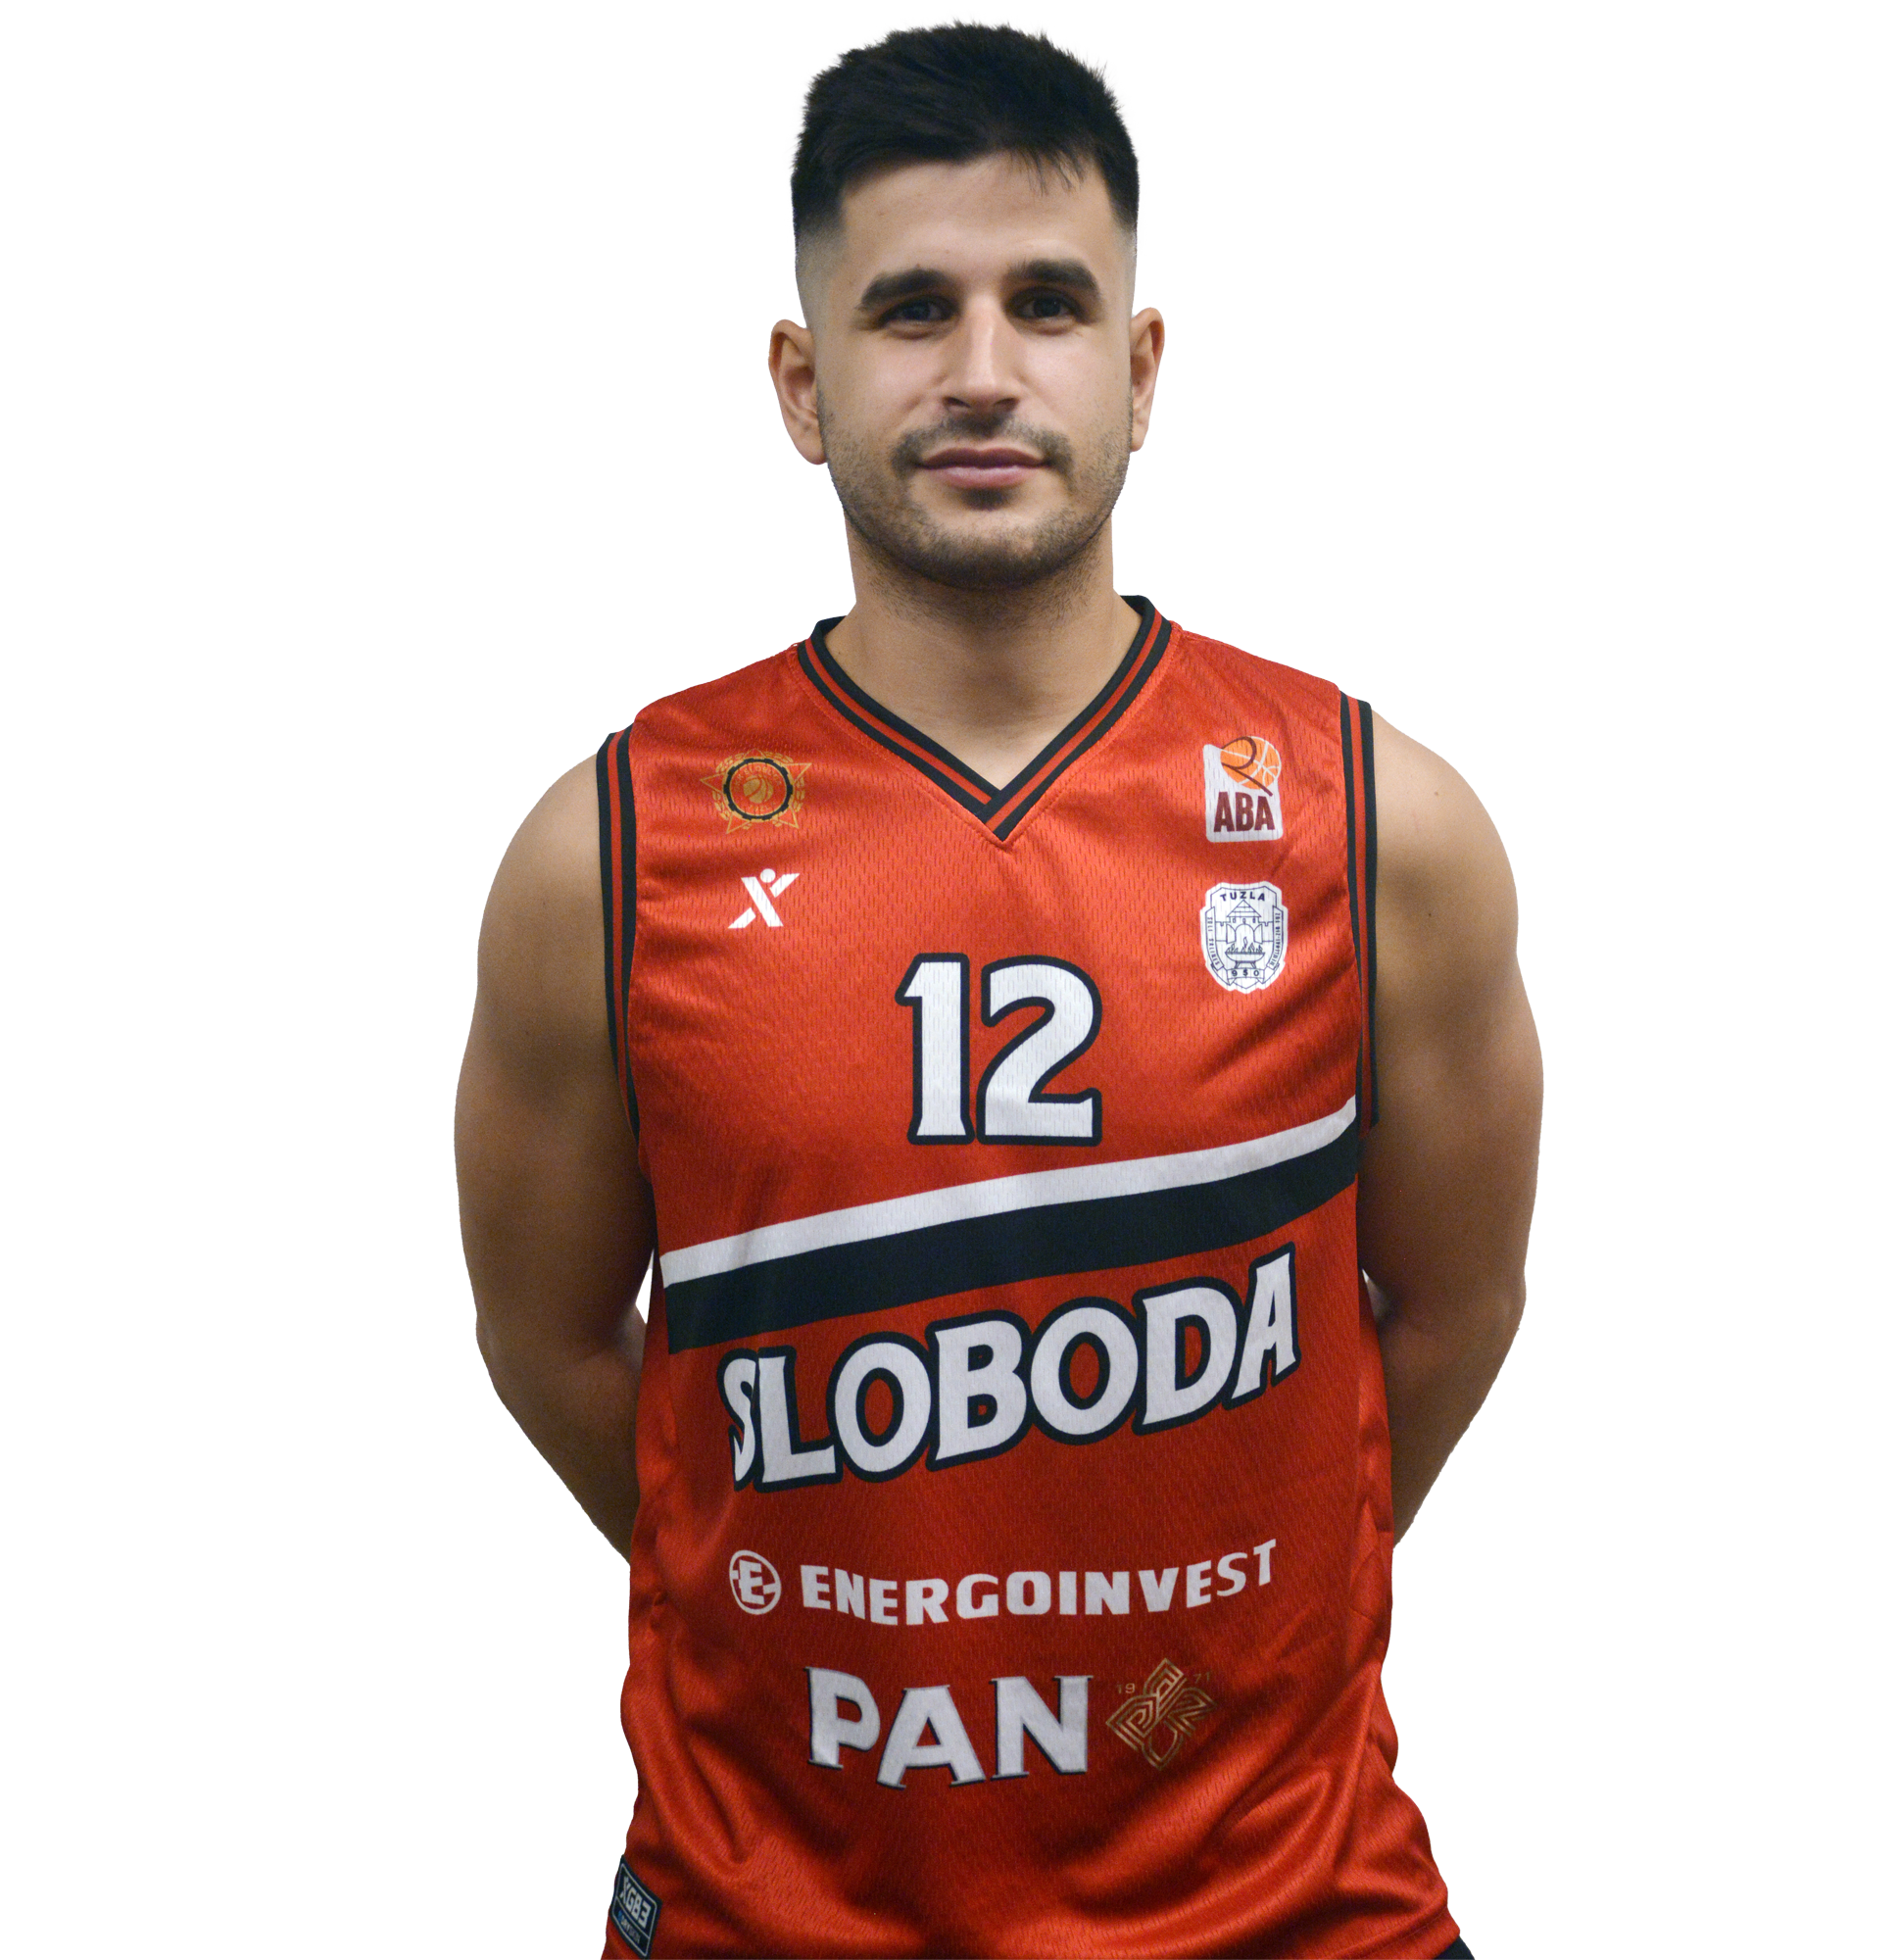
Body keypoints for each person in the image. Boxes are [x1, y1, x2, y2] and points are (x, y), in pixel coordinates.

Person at [457, 21, 1539, 1960]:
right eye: (909, 310)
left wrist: (1251, 1606)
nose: (981, 370)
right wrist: (793, 1580)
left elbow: (1456, 1305)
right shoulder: (609, 851)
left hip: (1290, 1913)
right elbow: (548, 1340)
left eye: (1047, 304)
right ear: (803, 385)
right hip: (771, 1912)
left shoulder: (1379, 826)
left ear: (1139, 369)